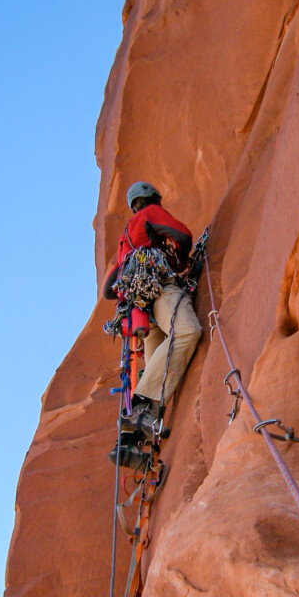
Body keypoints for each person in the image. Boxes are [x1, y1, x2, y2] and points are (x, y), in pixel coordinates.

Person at [103, 181, 202, 453]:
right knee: (186, 332)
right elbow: (182, 235)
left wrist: (134, 280)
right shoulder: (148, 215)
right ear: (152, 199)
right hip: (160, 291)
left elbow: (108, 289)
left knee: (159, 358)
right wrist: (178, 260)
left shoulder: (126, 240)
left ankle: (127, 446)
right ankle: (138, 410)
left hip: (142, 313)